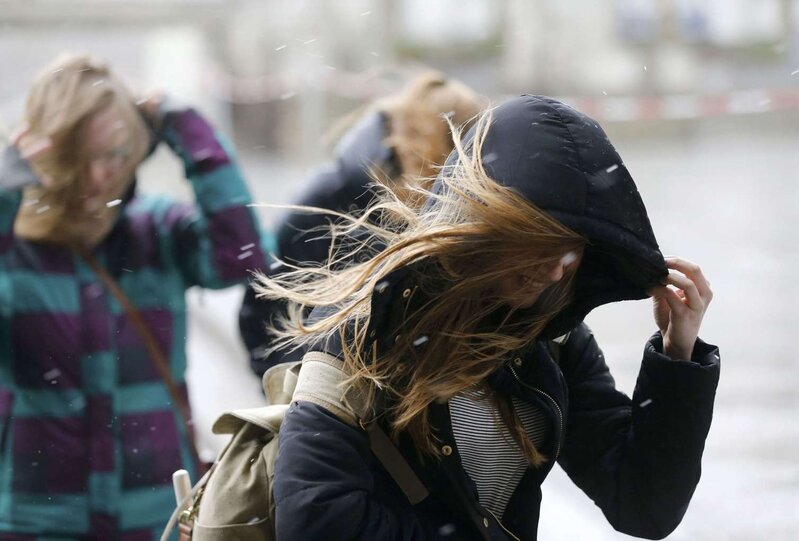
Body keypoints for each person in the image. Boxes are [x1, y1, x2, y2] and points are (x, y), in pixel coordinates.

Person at [255, 95, 720, 540]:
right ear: (487, 227)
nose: (558, 268)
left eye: (575, 247)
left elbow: (641, 504)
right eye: (542, 243)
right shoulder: (365, 329)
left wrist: (676, 357)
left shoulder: (554, 339)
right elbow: (313, 523)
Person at [0, 53, 268, 539]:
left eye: (117, 155)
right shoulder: (14, 248)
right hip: (37, 520)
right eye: (83, 157)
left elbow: (243, 256)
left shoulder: (157, 232)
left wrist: (189, 132)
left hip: (157, 515)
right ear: (50, 155)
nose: (101, 176)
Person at [239, 71, 484, 376]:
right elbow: (265, 307)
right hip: (327, 393)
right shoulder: (334, 197)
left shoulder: (459, 211)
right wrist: (305, 389)